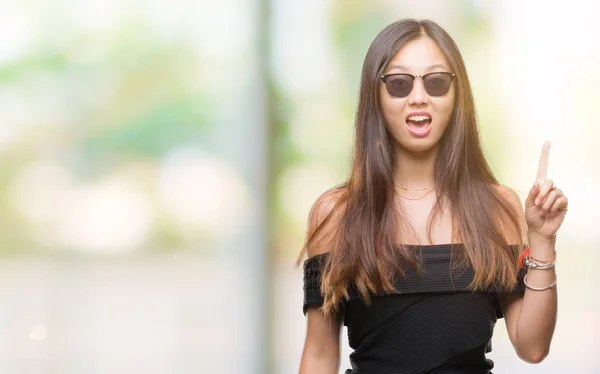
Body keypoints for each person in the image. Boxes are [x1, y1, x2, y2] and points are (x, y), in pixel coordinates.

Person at [297, 19, 567, 374]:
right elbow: (318, 356)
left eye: (436, 82)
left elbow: (532, 347)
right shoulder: (337, 212)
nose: (418, 97)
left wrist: (543, 240)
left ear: (457, 97)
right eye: (399, 83)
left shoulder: (497, 207)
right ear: (375, 96)